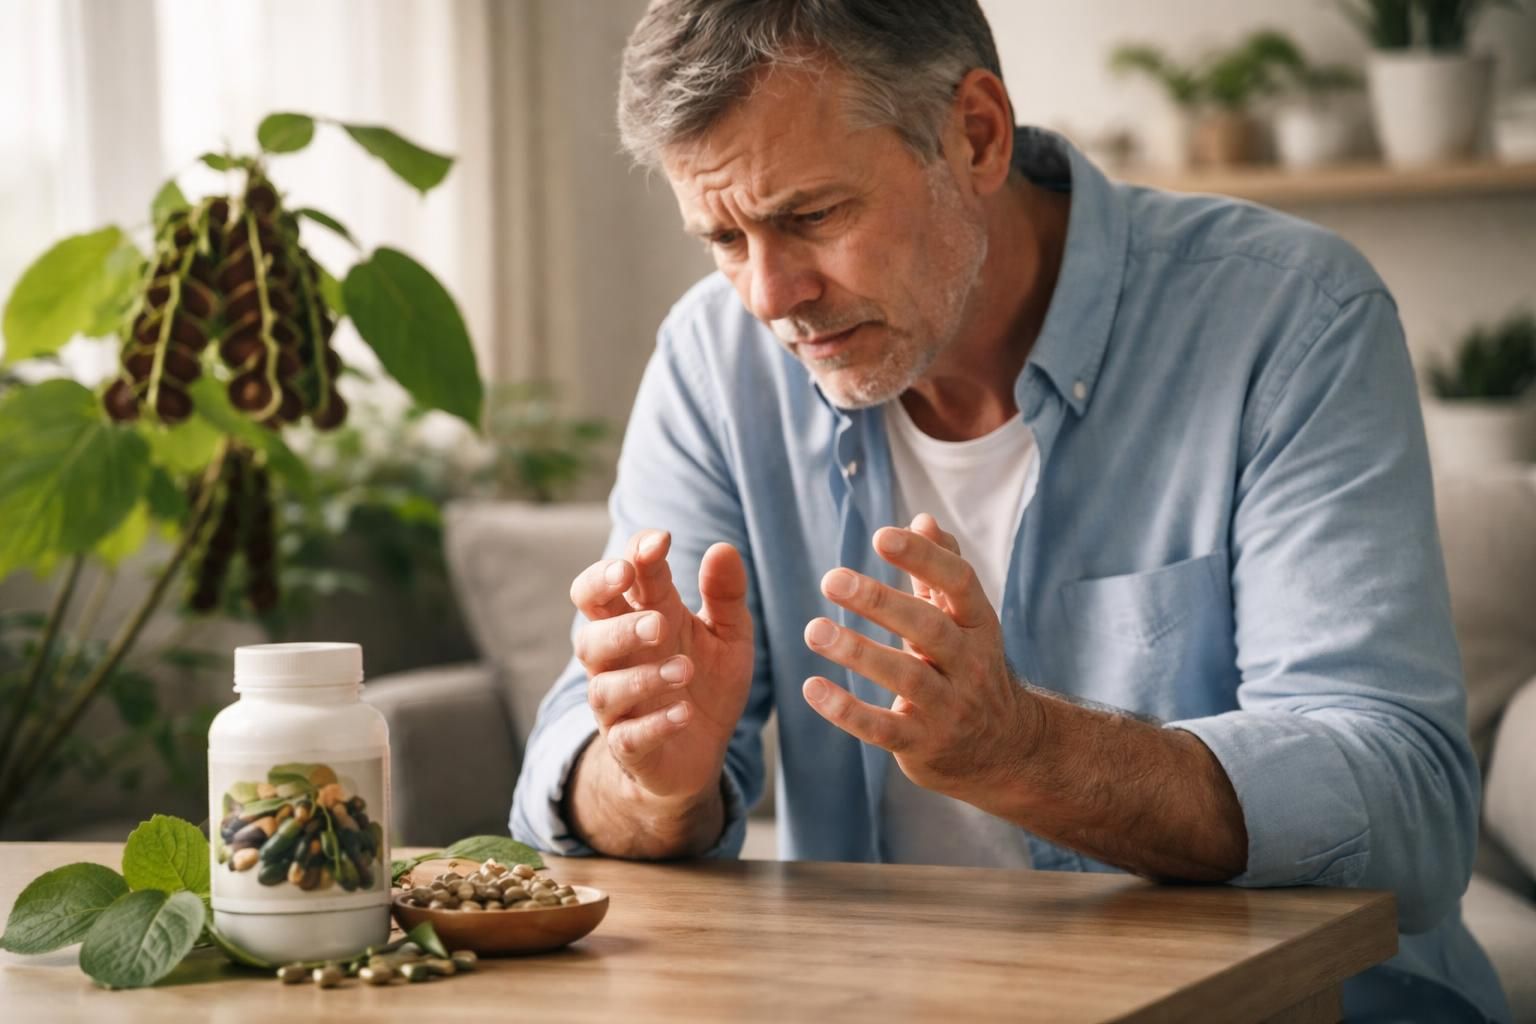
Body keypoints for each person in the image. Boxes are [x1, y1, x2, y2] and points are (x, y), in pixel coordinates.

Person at [510, 1, 1508, 1019]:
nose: (770, 295)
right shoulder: (714, 363)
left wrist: (1024, 750)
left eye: (811, 216)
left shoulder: (1288, 316)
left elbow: (1408, 811)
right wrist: (651, 783)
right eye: (724, 235)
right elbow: (577, 767)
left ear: (977, 135)